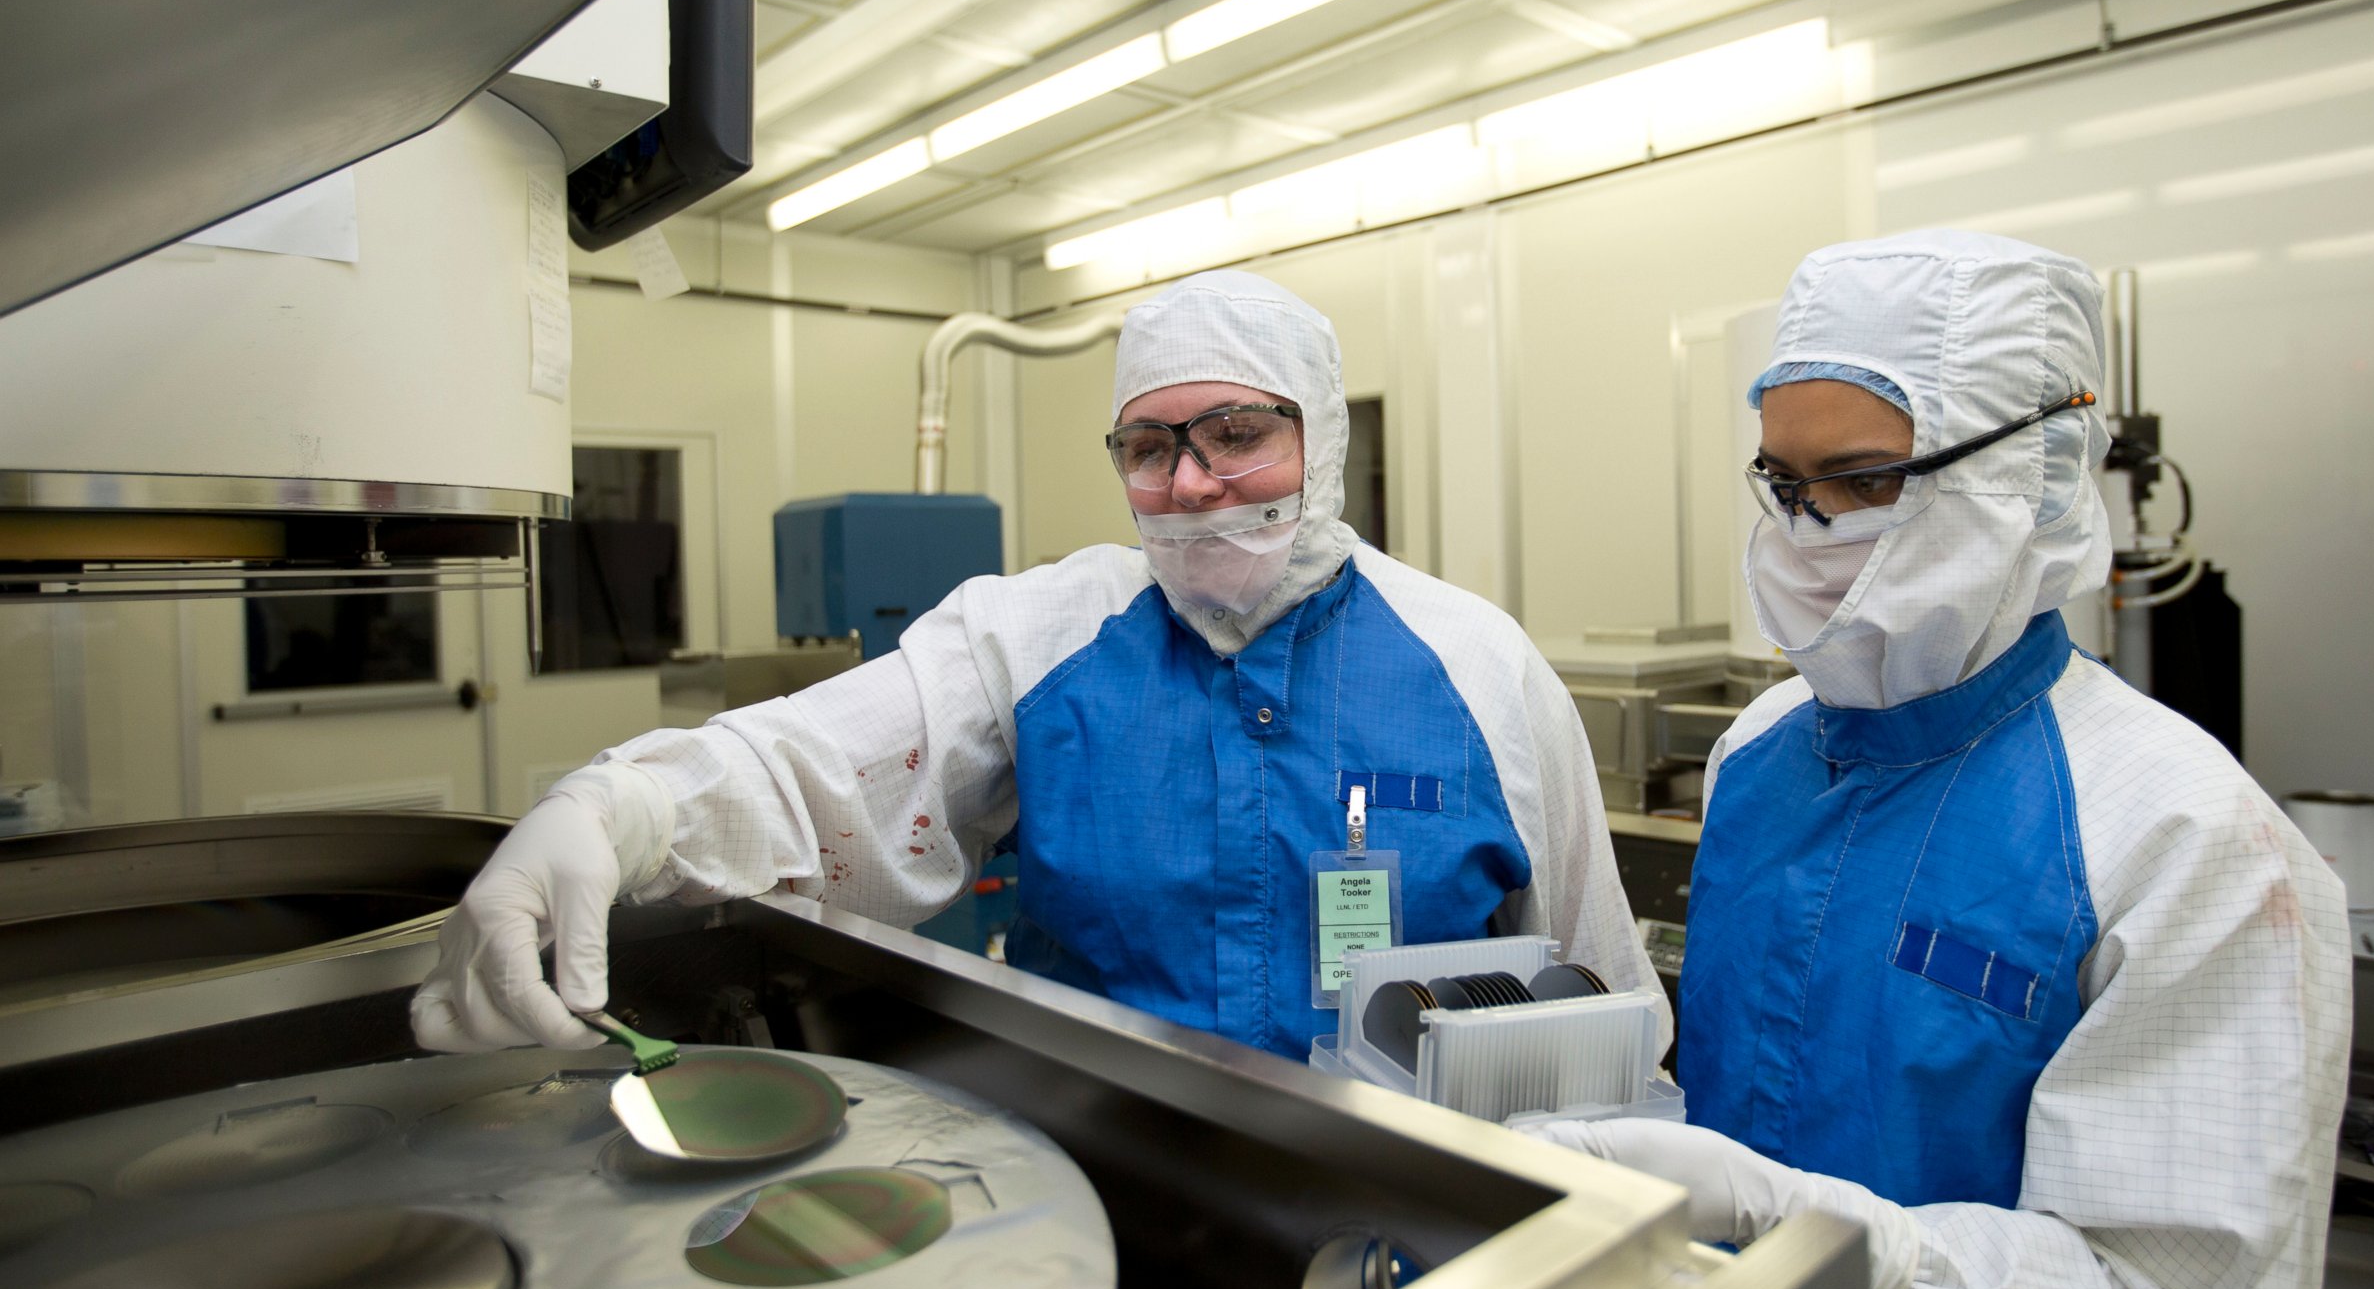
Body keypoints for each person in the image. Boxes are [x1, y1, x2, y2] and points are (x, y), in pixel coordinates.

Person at [1527, 231, 2349, 1289]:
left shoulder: (2182, 834)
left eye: (1868, 481)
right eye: (1786, 482)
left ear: (2045, 473)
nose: (1812, 533)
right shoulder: (1761, 753)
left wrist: (1816, 1237)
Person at [413, 269, 1661, 1061]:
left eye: (1239, 434)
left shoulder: (1479, 669)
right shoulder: (1040, 635)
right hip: (1111, 1193)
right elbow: (810, 764)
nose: (1190, 482)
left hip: (1426, 1220)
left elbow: (1598, 991)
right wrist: (619, 809)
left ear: (1320, 437)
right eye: (1150, 445)